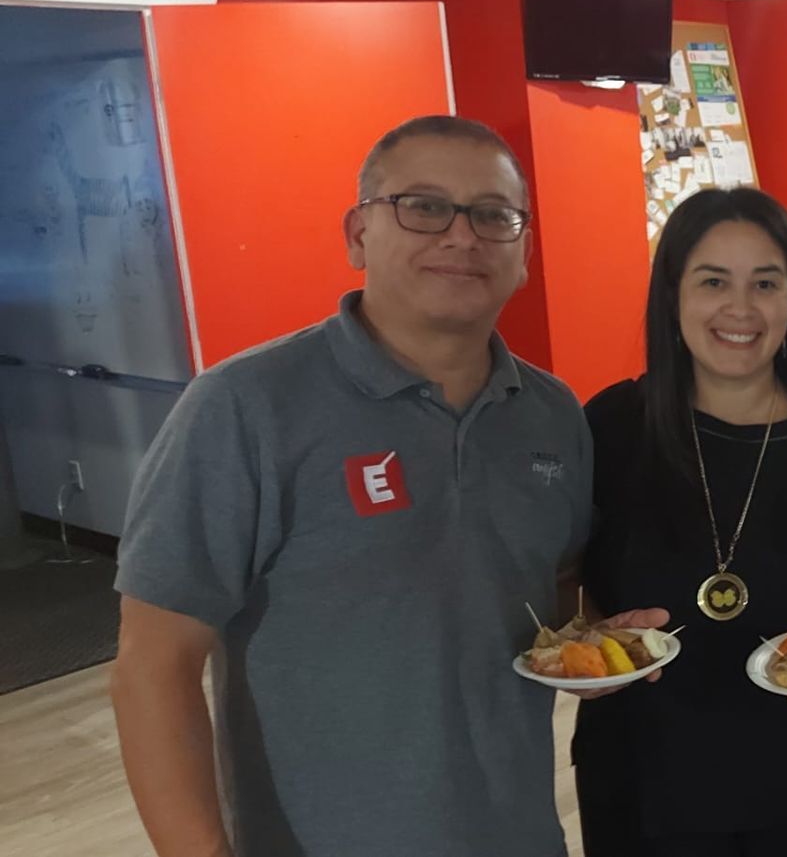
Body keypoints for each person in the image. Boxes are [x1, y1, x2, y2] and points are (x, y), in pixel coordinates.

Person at [110, 115, 663, 857]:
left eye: (493, 215)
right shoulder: (244, 406)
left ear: (523, 251)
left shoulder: (553, 414)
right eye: (424, 206)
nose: (461, 237)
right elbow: (153, 665)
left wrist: (597, 643)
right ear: (357, 234)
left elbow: (547, 587)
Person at [571, 187, 787, 856]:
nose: (740, 307)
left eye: (765, 282)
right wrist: (592, 631)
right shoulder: (613, 426)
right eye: (713, 281)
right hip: (640, 771)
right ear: (673, 295)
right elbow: (568, 580)